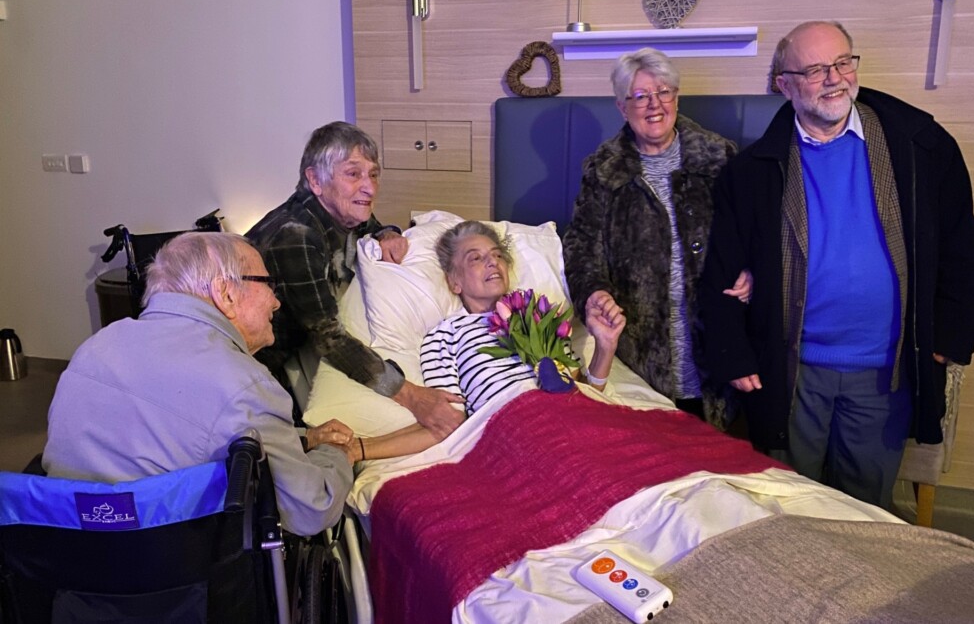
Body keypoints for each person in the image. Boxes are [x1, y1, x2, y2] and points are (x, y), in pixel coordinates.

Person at [698, 20, 974, 509]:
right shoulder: (750, 173)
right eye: (813, 69)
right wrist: (733, 353)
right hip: (791, 370)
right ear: (782, 84)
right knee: (788, 505)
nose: (833, 78)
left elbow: (960, 249)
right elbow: (722, 271)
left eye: (841, 62)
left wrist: (946, 340)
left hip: (885, 371)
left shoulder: (921, 148)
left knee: (865, 508)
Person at [43, 232, 354, 536]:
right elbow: (312, 510)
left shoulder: (96, 346)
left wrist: (302, 438)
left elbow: (175, 432)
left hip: (69, 556)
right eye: (267, 284)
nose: (275, 302)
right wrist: (336, 454)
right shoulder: (244, 384)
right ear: (226, 293)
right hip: (176, 572)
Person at [561, 47, 748, 421]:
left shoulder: (720, 157)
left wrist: (752, 270)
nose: (654, 105)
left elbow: (753, 232)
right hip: (641, 356)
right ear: (621, 106)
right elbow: (581, 250)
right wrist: (594, 292)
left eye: (663, 92)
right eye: (640, 96)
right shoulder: (603, 172)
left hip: (718, 347)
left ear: (676, 97)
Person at [246, 121, 463, 440]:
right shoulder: (297, 237)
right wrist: (413, 396)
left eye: (373, 174)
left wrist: (387, 232)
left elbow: (366, 220)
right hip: (250, 369)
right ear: (315, 180)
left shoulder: (335, 211)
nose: (370, 188)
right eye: (353, 173)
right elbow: (330, 339)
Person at [343, 220, 626, 463]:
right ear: (454, 282)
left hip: (573, 426)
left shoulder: (537, 316)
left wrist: (605, 346)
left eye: (496, 255)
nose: (492, 262)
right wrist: (358, 449)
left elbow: (584, 396)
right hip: (516, 437)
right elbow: (448, 423)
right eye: (475, 258)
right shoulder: (446, 337)